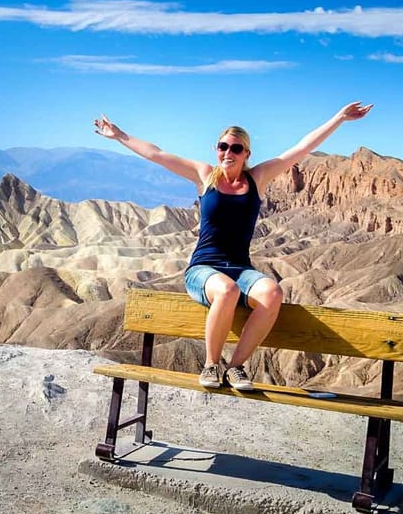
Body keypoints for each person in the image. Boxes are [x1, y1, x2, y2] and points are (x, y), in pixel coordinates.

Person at [93, 101, 373, 390]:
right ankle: (211, 365)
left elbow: (300, 149)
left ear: (246, 154)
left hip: (240, 269)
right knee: (226, 291)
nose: (228, 153)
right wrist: (119, 135)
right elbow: (157, 154)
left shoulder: (258, 178)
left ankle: (235, 368)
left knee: (273, 293)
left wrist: (339, 118)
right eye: (223, 146)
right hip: (203, 270)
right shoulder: (205, 175)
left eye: (236, 148)